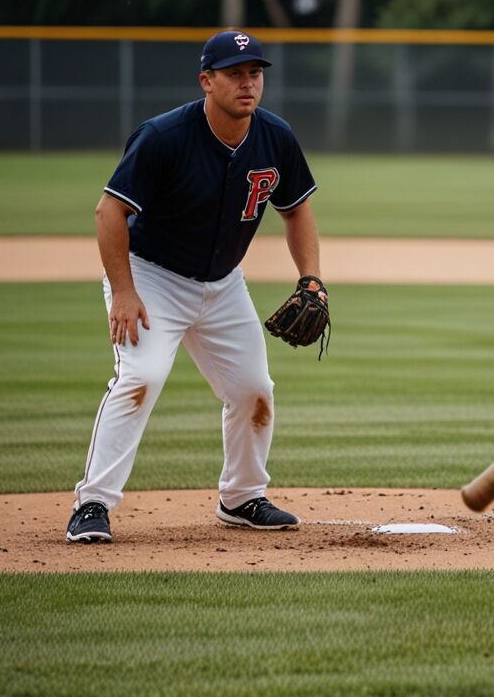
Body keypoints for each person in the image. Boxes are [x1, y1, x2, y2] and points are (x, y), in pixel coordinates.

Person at [67, 30, 326, 543]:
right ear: (206, 81)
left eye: (255, 73)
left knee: (254, 389)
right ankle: (92, 503)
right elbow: (109, 211)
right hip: (152, 277)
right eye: (234, 73)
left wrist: (311, 278)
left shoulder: (276, 136)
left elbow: (296, 209)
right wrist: (123, 290)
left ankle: (241, 497)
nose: (247, 82)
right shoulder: (164, 137)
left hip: (223, 284)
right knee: (141, 378)